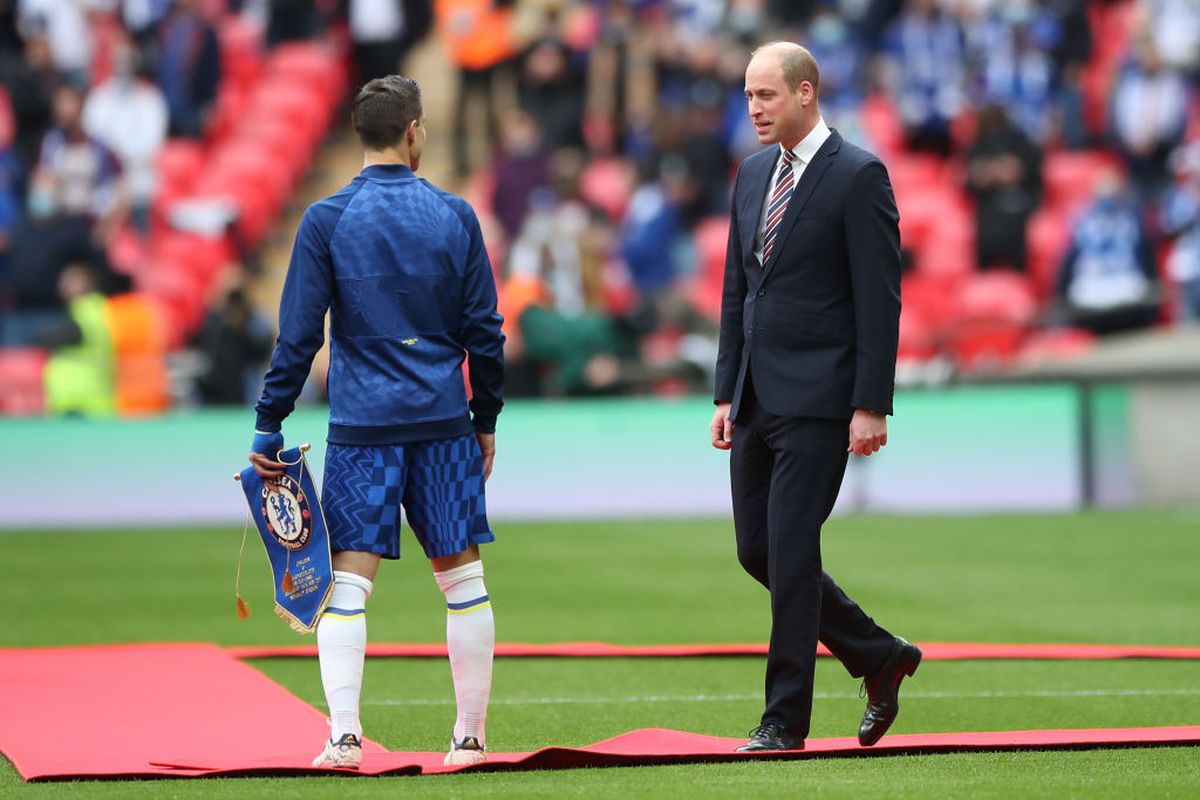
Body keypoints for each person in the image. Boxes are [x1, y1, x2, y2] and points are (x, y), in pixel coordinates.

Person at [248, 75, 505, 770]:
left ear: (359, 133)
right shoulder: (455, 215)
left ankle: (343, 736)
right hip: (444, 423)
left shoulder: (325, 220)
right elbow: (485, 331)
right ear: (415, 130)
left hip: (363, 426)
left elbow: (299, 334)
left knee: (347, 582)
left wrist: (270, 420)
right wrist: (485, 417)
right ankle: (470, 738)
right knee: (463, 580)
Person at [711, 42, 920, 753]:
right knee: (758, 551)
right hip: (755, 397)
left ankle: (784, 721)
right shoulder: (751, 174)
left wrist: (871, 403)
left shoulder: (859, 175)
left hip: (822, 398)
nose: (754, 108)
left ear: (806, 92)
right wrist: (725, 391)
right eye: (748, 95)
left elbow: (879, 301)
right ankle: (879, 654)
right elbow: (738, 291)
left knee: (793, 553)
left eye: (766, 94)